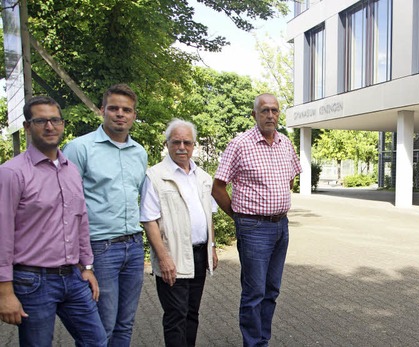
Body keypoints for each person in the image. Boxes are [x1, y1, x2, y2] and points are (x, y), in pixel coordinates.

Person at [0, 96, 107, 346]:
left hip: (72, 277)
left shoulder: (71, 170)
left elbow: (80, 220)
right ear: (28, 127)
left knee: (97, 342)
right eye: (41, 121)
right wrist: (4, 291)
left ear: (62, 124)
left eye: (55, 120)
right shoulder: (12, 173)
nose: (49, 126)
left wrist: (87, 267)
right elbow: (2, 234)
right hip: (32, 281)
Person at [212, 93, 302, 347]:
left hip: (281, 226)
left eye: (274, 110)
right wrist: (240, 218)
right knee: (254, 293)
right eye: (264, 110)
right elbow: (218, 187)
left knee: (272, 290)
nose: (270, 115)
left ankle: (263, 339)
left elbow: (290, 179)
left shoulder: (286, 143)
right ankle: (253, 343)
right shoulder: (240, 144)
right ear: (254, 115)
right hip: (253, 228)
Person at [63, 84, 148, 345]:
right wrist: (80, 258)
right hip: (100, 249)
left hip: (134, 248)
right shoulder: (80, 149)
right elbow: (66, 206)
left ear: (134, 115)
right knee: (101, 326)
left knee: (125, 324)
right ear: (102, 110)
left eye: (127, 110)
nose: (120, 114)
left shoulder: (139, 153)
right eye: (114, 108)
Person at [140, 119, 218, 347]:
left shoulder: (202, 177)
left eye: (187, 142)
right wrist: (163, 258)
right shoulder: (155, 176)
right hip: (173, 256)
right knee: (176, 316)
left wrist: (212, 248)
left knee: (192, 313)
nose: (182, 147)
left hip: (200, 255)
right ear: (167, 144)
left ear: (193, 145)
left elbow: (209, 215)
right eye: (176, 142)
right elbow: (149, 220)